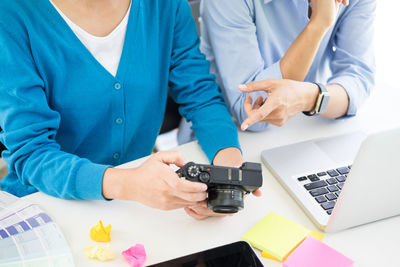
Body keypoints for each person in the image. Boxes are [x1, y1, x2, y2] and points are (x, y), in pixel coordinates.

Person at [0, 0, 259, 220]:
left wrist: (227, 171)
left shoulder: (163, 6)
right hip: (45, 209)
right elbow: (31, 153)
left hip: (134, 209)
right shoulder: (11, 17)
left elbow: (199, 94)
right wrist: (127, 183)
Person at [200, 0, 376, 130]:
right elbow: (254, 114)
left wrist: (311, 97)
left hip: (306, 128)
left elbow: (358, 77)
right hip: (226, 137)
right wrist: (319, 24)